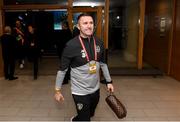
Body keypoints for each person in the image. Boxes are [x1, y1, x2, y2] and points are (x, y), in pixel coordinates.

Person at [54, 13, 114, 121]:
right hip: (79, 91)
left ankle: (77, 119)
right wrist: (57, 90)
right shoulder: (71, 45)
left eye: (91, 23)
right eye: (85, 23)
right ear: (78, 26)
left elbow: (103, 64)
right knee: (85, 119)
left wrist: (109, 81)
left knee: (90, 114)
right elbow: (62, 70)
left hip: (95, 89)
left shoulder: (99, 42)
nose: (89, 25)